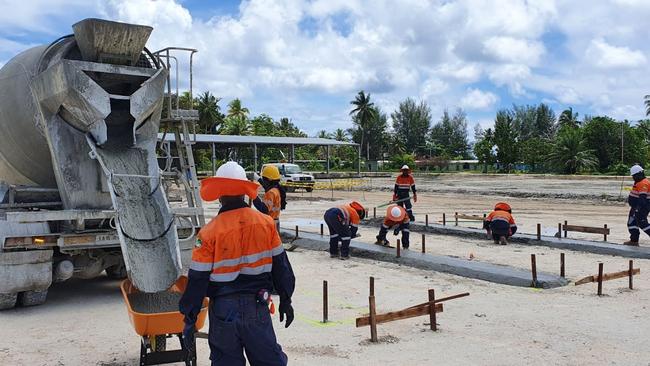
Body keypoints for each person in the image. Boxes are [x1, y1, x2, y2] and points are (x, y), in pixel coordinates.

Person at [179, 161, 295, 366]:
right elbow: (281, 266)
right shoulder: (266, 224)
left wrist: (190, 318)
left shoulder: (208, 233)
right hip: (257, 306)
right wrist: (286, 299)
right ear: (244, 192)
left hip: (223, 310)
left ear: (219, 194)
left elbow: (197, 280)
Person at [253, 165, 287, 230]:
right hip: (275, 222)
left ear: (269, 180)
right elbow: (267, 186)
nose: (263, 180)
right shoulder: (276, 189)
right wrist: (259, 179)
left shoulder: (271, 193)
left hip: (270, 224)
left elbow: (263, 209)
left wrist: (254, 196)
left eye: (263, 178)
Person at [625, 164, 650, 246]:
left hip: (641, 208)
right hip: (635, 207)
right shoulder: (639, 182)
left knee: (642, 224)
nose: (633, 178)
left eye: (634, 176)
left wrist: (638, 209)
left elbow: (642, 198)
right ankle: (634, 241)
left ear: (639, 174)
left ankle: (634, 240)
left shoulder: (643, 183)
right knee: (632, 223)